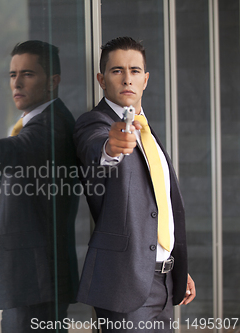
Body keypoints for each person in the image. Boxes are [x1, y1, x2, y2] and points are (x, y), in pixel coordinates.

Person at [73, 36, 196, 332]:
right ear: (102, 79)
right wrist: (112, 148)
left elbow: (160, 205)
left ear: (146, 79)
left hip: (164, 282)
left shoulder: (147, 131)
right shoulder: (95, 124)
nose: (127, 78)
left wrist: (174, 265)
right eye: (117, 71)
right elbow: (97, 150)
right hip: (124, 285)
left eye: (135, 71)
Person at [0, 40, 80, 332]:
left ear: (52, 81)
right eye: (12, 74)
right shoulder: (36, 122)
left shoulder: (52, 126)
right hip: (30, 282)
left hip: (37, 284)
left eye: (28, 74)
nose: (17, 83)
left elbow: (12, 150)